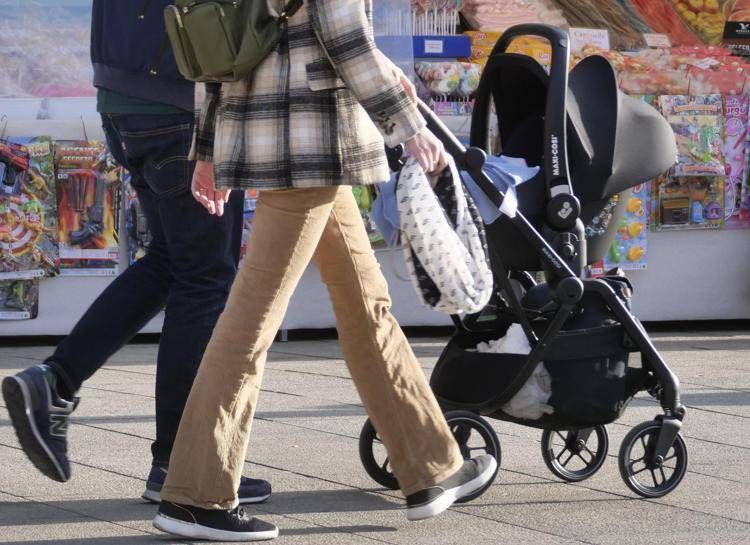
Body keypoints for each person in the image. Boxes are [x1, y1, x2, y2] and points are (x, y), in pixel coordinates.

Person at [151, 0, 497, 540]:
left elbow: (211, 42)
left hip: (291, 147)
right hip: (312, 144)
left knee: (366, 305)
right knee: (251, 322)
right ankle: (195, 495)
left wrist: (209, 147)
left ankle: (431, 466)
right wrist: (409, 127)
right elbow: (348, 41)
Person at [1, 0, 270, 505]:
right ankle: (179, 461)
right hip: (179, 101)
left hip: (125, 98)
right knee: (204, 277)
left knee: (172, 263)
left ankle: (55, 381)